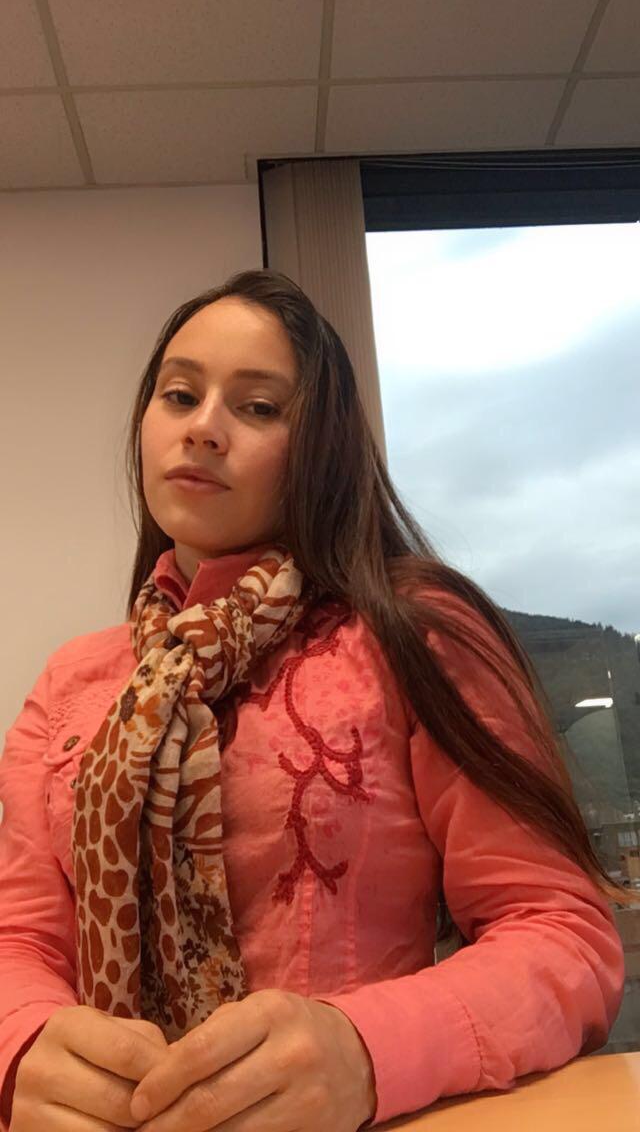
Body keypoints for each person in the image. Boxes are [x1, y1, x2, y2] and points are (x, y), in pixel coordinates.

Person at [0, 269, 633, 1132]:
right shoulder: (74, 682)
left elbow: (562, 938)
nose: (204, 427)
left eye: (258, 407)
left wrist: (364, 1052)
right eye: (179, 395)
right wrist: (23, 1044)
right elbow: (21, 938)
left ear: (321, 448)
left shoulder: (414, 635)